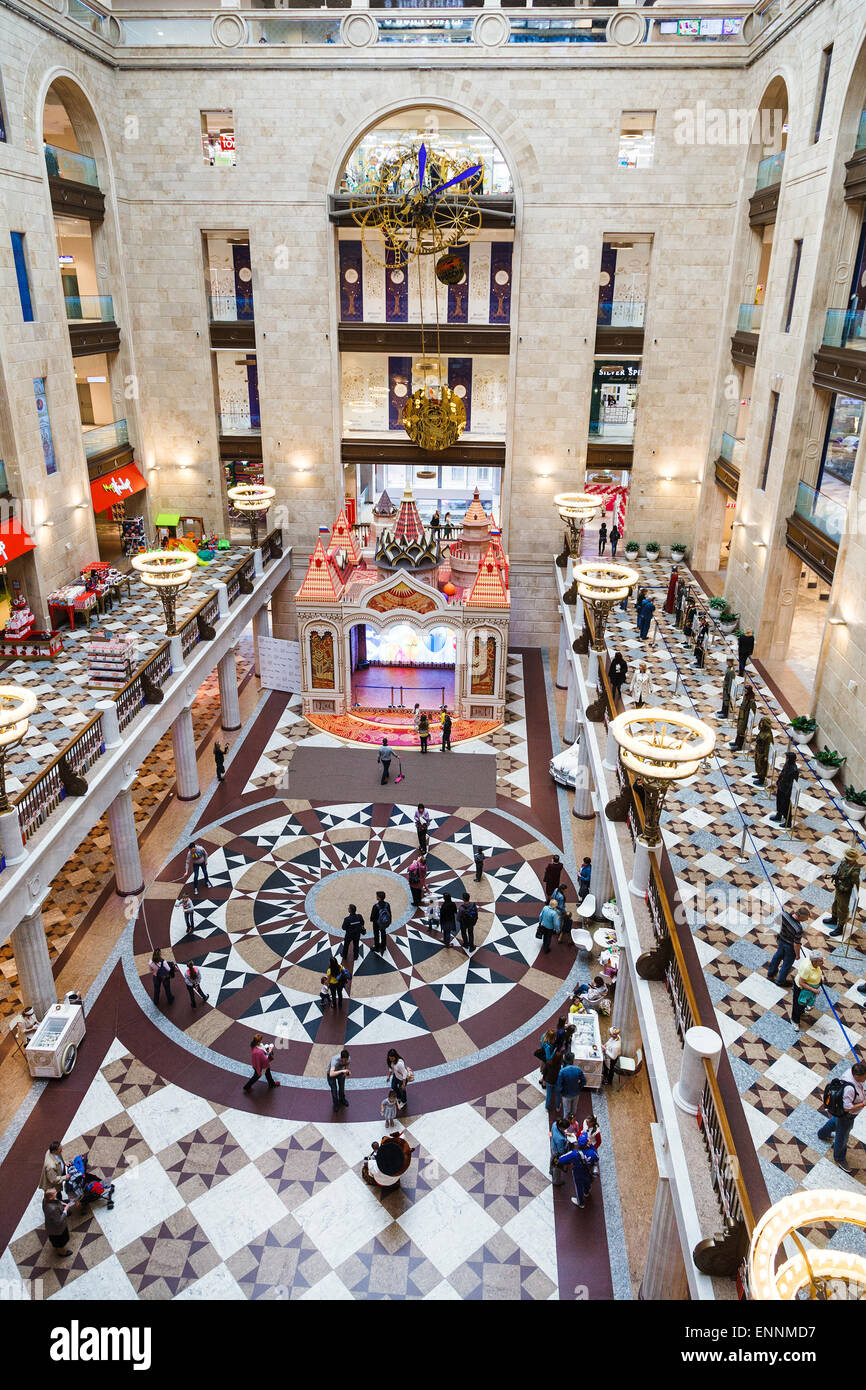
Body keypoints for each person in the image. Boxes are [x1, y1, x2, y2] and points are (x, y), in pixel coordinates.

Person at [816, 1061, 866, 1170]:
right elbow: (847, 1108)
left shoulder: (850, 1072)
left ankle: (822, 1134)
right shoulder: (850, 1090)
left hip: (839, 1112)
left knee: (835, 1121)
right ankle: (839, 1158)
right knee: (842, 1136)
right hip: (847, 1115)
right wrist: (863, 1103)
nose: (865, 1079)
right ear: (857, 1076)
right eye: (864, 1077)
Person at [823, 848, 862, 937]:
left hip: (846, 892)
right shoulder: (845, 863)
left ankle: (840, 927)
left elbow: (855, 885)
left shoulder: (855, 871)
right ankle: (834, 918)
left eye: (847, 857)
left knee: (843, 909)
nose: (845, 858)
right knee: (836, 904)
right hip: (839, 888)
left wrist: (850, 894)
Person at [766, 906, 808, 986]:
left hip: (781, 941)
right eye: (805, 918)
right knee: (787, 964)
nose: (806, 920)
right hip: (790, 947)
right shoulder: (798, 929)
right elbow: (796, 944)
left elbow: (776, 921)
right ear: (800, 918)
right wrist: (798, 955)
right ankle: (780, 981)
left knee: (777, 956)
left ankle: (771, 973)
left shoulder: (784, 914)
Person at [556, 1133, 599, 1209]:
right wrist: (591, 1145)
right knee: (587, 1181)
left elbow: (561, 1159)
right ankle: (586, 1192)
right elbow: (597, 1157)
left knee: (579, 1187)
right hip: (587, 1170)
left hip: (578, 1172)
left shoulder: (573, 1154)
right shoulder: (592, 1153)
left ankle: (581, 1203)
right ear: (587, 1143)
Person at [791, 950, 823, 1027]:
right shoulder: (807, 968)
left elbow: (816, 972)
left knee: (804, 1002)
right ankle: (795, 1021)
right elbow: (801, 982)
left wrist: (820, 979)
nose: (823, 962)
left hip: (809, 987)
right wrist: (813, 990)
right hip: (801, 988)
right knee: (798, 1004)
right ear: (814, 962)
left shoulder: (815, 964)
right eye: (821, 961)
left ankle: (802, 1012)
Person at [771, 747, 799, 826]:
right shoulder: (787, 764)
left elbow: (793, 782)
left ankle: (788, 822)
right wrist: (778, 781)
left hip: (787, 790)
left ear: (791, 759)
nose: (786, 759)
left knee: (786, 806)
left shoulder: (794, 770)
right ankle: (779, 815)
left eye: (787, 758)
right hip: (781, 786)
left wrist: (788, 791)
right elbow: (782, 773)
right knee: (779, 802)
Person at [42, 1187, 74, 1257]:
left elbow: (56, 1201)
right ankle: (61, 1252)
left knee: (56, 1240)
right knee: (60, 1242)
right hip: (58, 1230)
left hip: (50, 1226)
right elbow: (58, 1221)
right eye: (55, 1193)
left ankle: (58, 1247)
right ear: (50, 1197)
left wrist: (61, 1203)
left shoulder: (45, 1200)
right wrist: (65, 1210)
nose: (56, 1193)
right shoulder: (53, 1209)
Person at [729, 682, 756, 752]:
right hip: (741, 716)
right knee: (739, 730)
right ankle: (736, 742)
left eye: (746, 691)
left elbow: (752, 713)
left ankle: (739, 745)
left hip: (745, 719)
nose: (744, 692)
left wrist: (749, 722)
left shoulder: (751, 701)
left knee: (741, 732)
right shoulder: (745, 697)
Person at [549, 1114, 571, 1185]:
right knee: (557, 1167)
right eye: (565, 1128)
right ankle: (556, 1181)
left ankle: (551, 1170)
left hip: (553, 1146)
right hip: (557, 1152)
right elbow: (561, 1150)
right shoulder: (560, 1139)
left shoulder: (555, 1124)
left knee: (552, 1158)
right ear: (561, 1128)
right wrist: (567, 1143)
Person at [753, 716, 774, 786]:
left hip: (763, 753)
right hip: (758, 750)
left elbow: (768, 747)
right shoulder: (762, 731)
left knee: (763, 765)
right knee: (757, 763)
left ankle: (761, 779)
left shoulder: (768, 735)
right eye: (761, 722)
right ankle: (759, 774)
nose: (761, 724)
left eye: (762, 722)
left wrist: (766, 755)